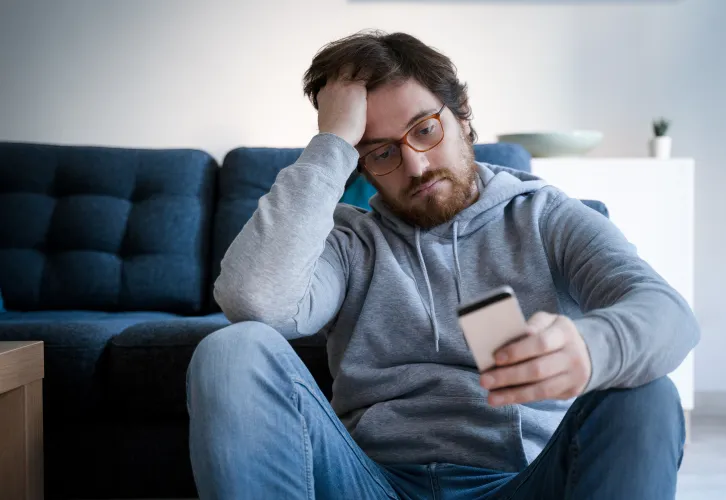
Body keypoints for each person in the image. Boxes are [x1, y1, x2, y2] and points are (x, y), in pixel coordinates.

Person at [187, 30, 700, 500]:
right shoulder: (348, 242)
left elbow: (669, 314)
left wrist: (590, 348)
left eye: (425, 130)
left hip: (520, 484)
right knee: (232, 351)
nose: (415, 165)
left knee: (647, 393)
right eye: (380, 153)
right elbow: (255, 301)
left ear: (464, 116)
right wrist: (332, 144)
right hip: (371, 484)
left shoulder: (544, 216)